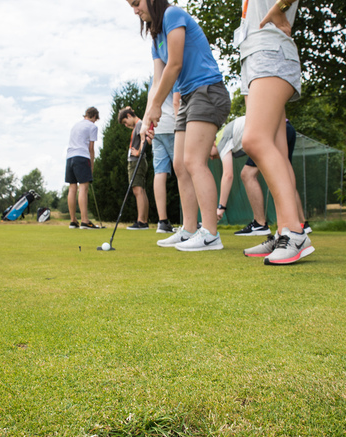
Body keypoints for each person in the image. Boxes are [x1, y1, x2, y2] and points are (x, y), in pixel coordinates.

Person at [127, 0, 231, 251]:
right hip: (187, 97)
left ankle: (210, 233)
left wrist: (156, 107)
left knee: (194, 161)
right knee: (180, 164)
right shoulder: (156, 37)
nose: (135, 10)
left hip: (207, 90)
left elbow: (175, 65)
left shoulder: (173, 15)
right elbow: (157, 80)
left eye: (136, 3)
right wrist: (146, 118)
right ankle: (189, 229)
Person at [237, 0, 315, 265]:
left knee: (254, 140)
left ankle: (295, 232)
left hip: (271, 51)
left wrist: (281, 6)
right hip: (253, 56)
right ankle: (284, 229)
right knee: (277, 150)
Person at [212, 116, 304, 236]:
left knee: (247, 175)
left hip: (271, 132)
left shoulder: (220, 140)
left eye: (208, 153)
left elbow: (228, 175)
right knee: (285, 177)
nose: (210, 158)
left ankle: (259, 225)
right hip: (285, 128)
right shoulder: (228, 135)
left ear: (211, 144)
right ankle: (302, 224)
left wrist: (221, 207)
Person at [65, 107, 100, 229]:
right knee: (83, 188)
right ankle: (85, 221)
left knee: (72, 187)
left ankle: (73, 220)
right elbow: (91, 148)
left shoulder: (75, 125)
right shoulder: (92, 127)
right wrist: (92, 165)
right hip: (82, 157)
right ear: (94, 116)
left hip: (69, 158)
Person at [150, 90, 180, 233]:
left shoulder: (153, 79)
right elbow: (176, 101)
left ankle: (162, 222)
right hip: (172, 125)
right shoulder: (175, 68)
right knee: (183, 171)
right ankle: (190, 221)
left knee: (159, 172)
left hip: (156, 127)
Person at [118, 107, 150, 230]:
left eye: (125, 122)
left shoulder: (139, 124)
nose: (126, 125)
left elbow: (144, 140)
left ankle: (141, 221)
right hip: (138, 161)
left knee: (138, 191)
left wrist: (138, 152)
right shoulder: (138, 125)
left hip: (137, 161)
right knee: (141, 190)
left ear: (129, 116)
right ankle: (144, 220)